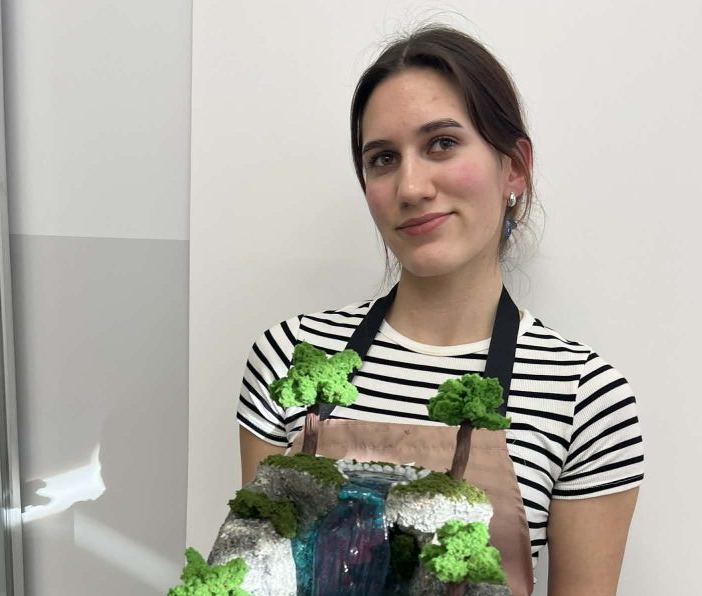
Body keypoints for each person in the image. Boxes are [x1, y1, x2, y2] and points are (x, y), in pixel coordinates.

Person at [237, 25, 643, 596]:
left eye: (442, 144)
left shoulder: (585, 397)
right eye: (383, 158)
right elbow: (260, 572)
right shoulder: (289, 356)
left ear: (515, 167)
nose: (411, 186)